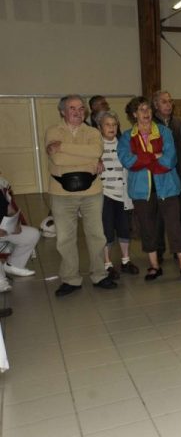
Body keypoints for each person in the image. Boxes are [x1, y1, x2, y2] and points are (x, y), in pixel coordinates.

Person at [45, 95, 117, 296]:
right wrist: (83, 156)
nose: (77, 112)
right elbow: (57, 159)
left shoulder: (93, 131)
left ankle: (99, 275)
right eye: (72, 108)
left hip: (92, 192)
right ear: (62, 111)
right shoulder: (52, 131)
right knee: (65, 238)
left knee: (96, 235)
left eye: (80, 108)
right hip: (61, 193)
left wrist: (64, 147)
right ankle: (71, 279)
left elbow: (95, 151)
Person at [119, 97, 181, 282]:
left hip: (167, 187)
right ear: (134, 114)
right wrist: (155, 156)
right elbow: (128, 161)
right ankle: (154, 265)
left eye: (148, 108)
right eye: (141, 109)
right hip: (141, 191)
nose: (146, 112)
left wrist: (142, 157)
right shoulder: (127, 137)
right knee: (148, 228)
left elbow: (169, 161)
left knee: (175, 226)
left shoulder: (164, 132)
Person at [152, 90, 181, 262]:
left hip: (178, 174)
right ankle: (158, 249)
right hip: (158, 176)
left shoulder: (178, 123)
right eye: (164, 102)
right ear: (156, 105)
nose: (169, 105)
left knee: (180, 215)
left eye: (170, 101)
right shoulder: (151, 125)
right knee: (159, 216)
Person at [96, 111, 139, 277]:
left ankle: (125, 261)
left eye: (114, 125)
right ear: (100, 127)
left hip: (123, 194)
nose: (111, 128)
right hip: (104, 194)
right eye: (107, 124)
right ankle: (107, 263)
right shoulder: (95, 146)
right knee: (107, 231)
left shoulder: (123, 144)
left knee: (124, 229)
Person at [1, 174, 40, 292]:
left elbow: (10, 209)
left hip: (3, 229)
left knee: (32, 234)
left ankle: (13, 265)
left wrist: (15, 223)